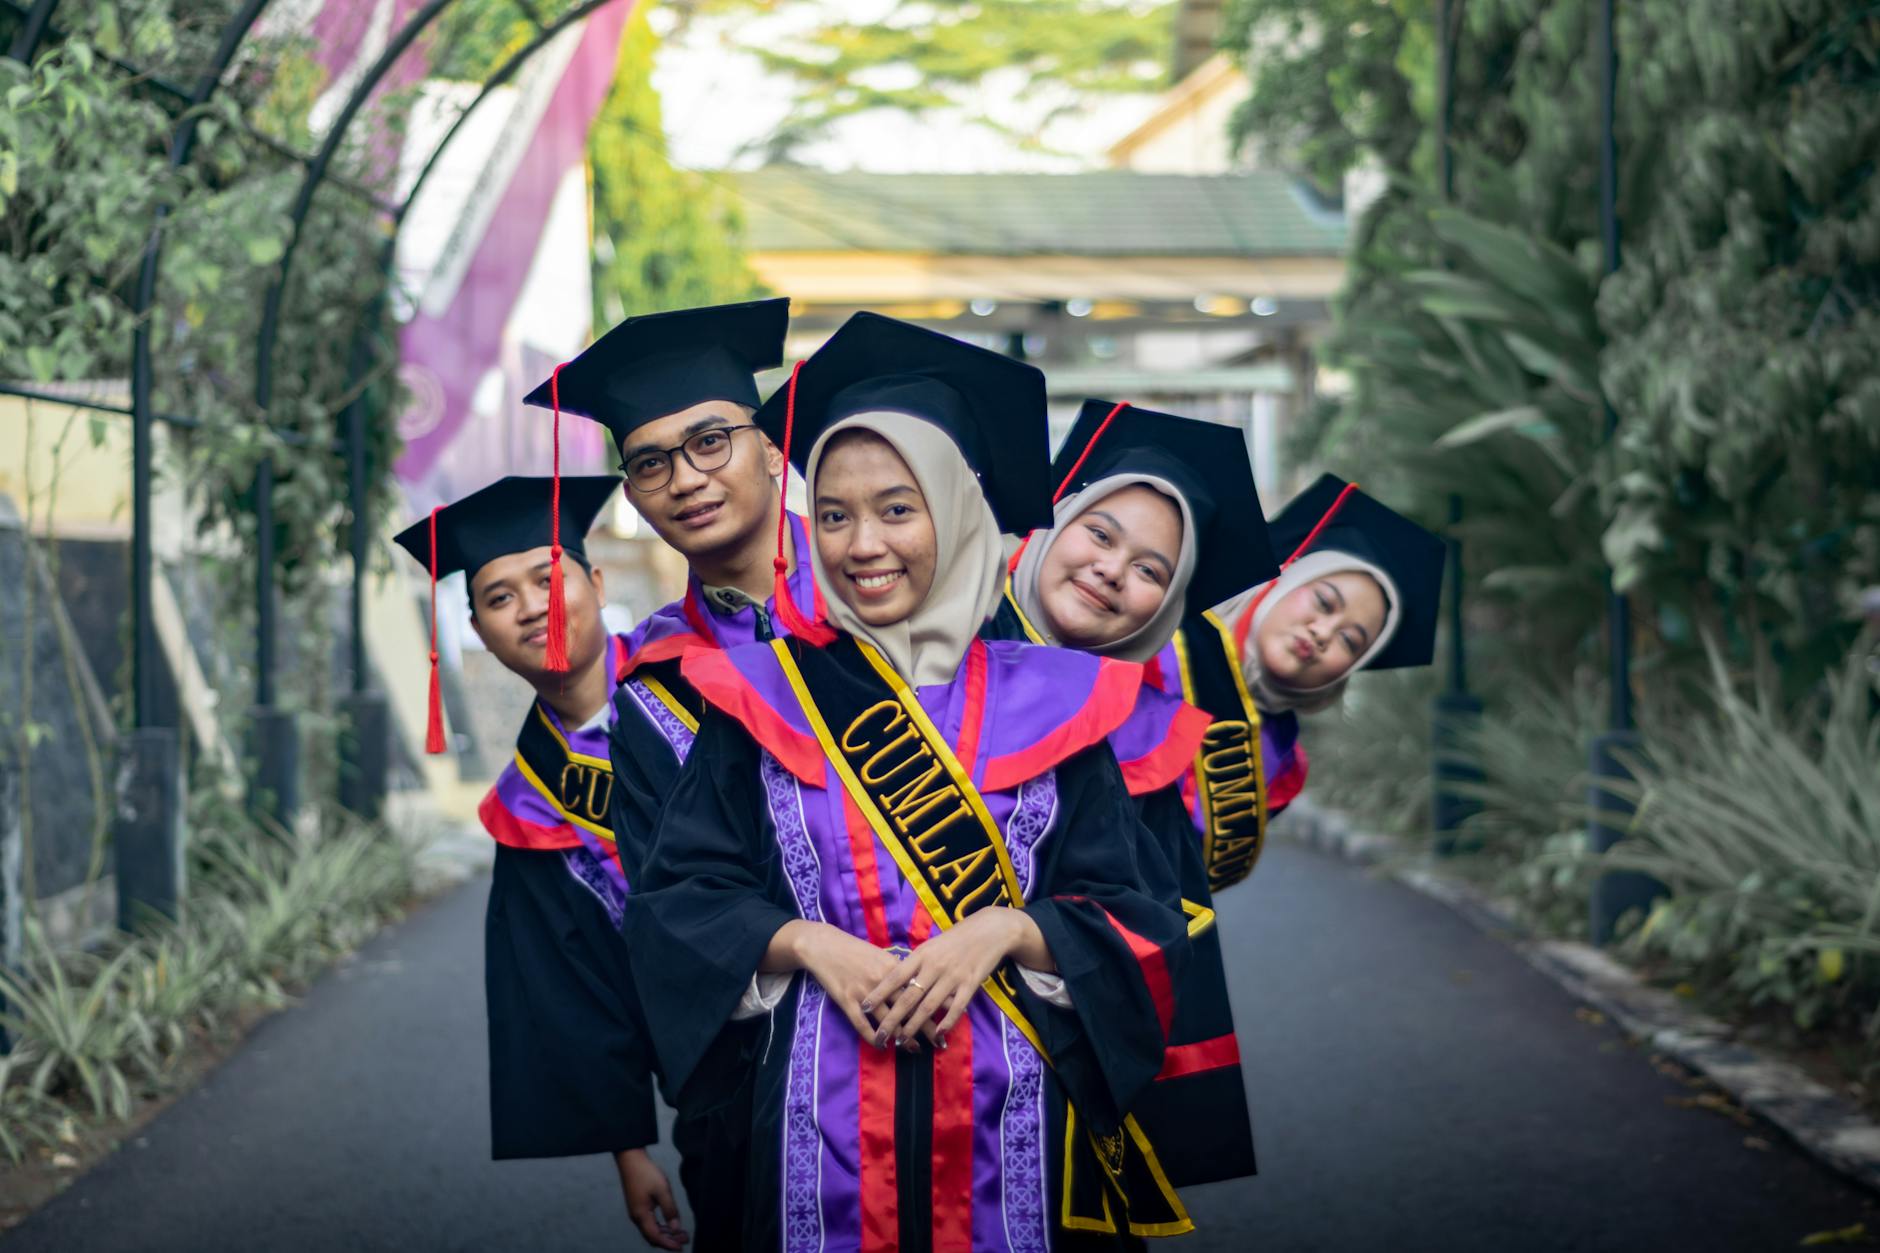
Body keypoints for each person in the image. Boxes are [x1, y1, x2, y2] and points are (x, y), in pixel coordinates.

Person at [623, 313, 1197, 1251]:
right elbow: (677, 903)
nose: (860, 545)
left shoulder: (1060, 702)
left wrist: (1011, 929)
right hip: (811, 1137)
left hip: (1024, 1141)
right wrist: (802, 940)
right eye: (837, 513)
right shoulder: (755, 697)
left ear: (957, 513)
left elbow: (1137, 915)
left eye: (898, 508)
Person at [520, 296, 821, 1250]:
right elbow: (667, 913)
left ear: (772, 445)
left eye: (710, 442)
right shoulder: (651, 685)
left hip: (961, 1054)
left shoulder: (895, 596)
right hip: (761, 1089)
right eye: (649, 461)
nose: (684, 479)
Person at [391, 475, 686, 1247]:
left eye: (546, 578)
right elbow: (574, 982)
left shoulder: (704, 682)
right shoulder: (529, 804)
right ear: (479, 632)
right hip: (716, 1083)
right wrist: (631, 1148)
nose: (529, 605)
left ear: (595, 580)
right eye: (497, 596)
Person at [995, 398, 1279, 1191]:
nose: (1113, 570)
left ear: (1169, 604)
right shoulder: (924, 660)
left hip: (1056, 1082)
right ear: (1056, 525)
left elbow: (1156, 936)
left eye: (1152, 569)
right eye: (1099, 532)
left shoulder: (1145, 737)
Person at [1205, 472, 1448, 880]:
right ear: (1281, 582)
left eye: (1350, 642)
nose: (1322, 633)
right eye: (1323, 602)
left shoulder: (1280, 764)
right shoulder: (1157, 654)